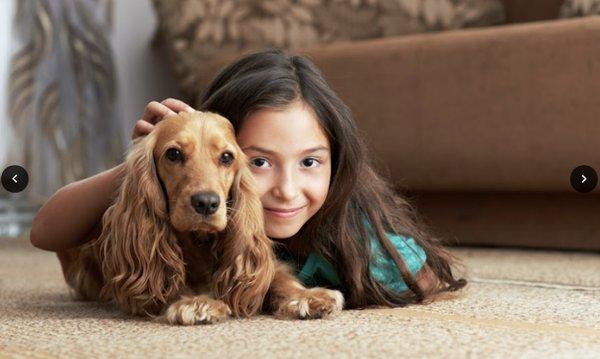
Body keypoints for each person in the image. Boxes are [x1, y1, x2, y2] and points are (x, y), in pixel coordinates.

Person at [31, 49, 466, 309]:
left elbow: (423, 277)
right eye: (258, 162)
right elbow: (46, 232)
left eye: (310, 162)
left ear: (337, 162)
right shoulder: (176, 196)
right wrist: (147, 157)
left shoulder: (347, 228)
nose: (287, 189)